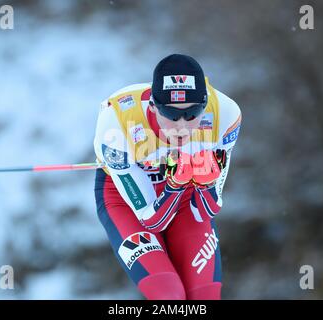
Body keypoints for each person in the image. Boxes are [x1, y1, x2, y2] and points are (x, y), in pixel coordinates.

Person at [93, 54, 241, 300]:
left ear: (205, 106)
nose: (181, 125)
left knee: (204, 296)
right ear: (153, 105)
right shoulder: (117, 123)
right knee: (167, 294)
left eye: (192, 114)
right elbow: (152, 220)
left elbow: (206, 212)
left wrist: (206, 184)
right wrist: (174, 185)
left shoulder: (225, 116)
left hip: (185, 198)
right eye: (171, 115)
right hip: (126, 203)